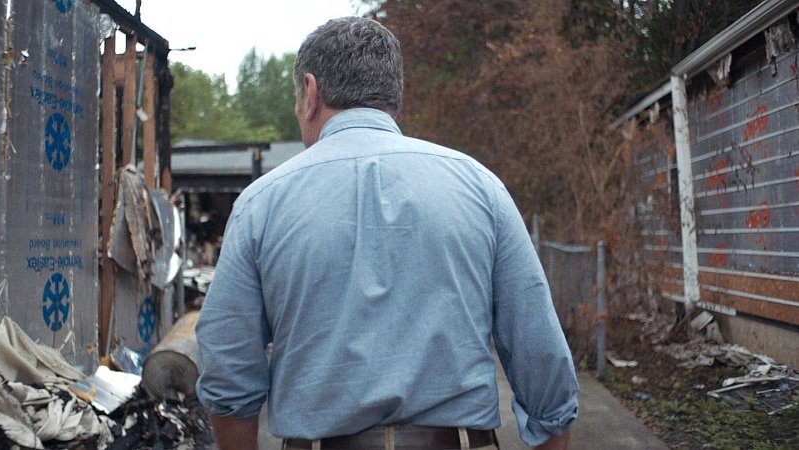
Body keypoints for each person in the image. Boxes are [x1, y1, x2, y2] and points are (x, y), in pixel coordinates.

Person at [196, 16, 578, 450]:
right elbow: (540, 353)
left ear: (311, 92)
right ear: (393, 98)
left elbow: (227, 367)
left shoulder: (261, 204)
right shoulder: (479, 187)